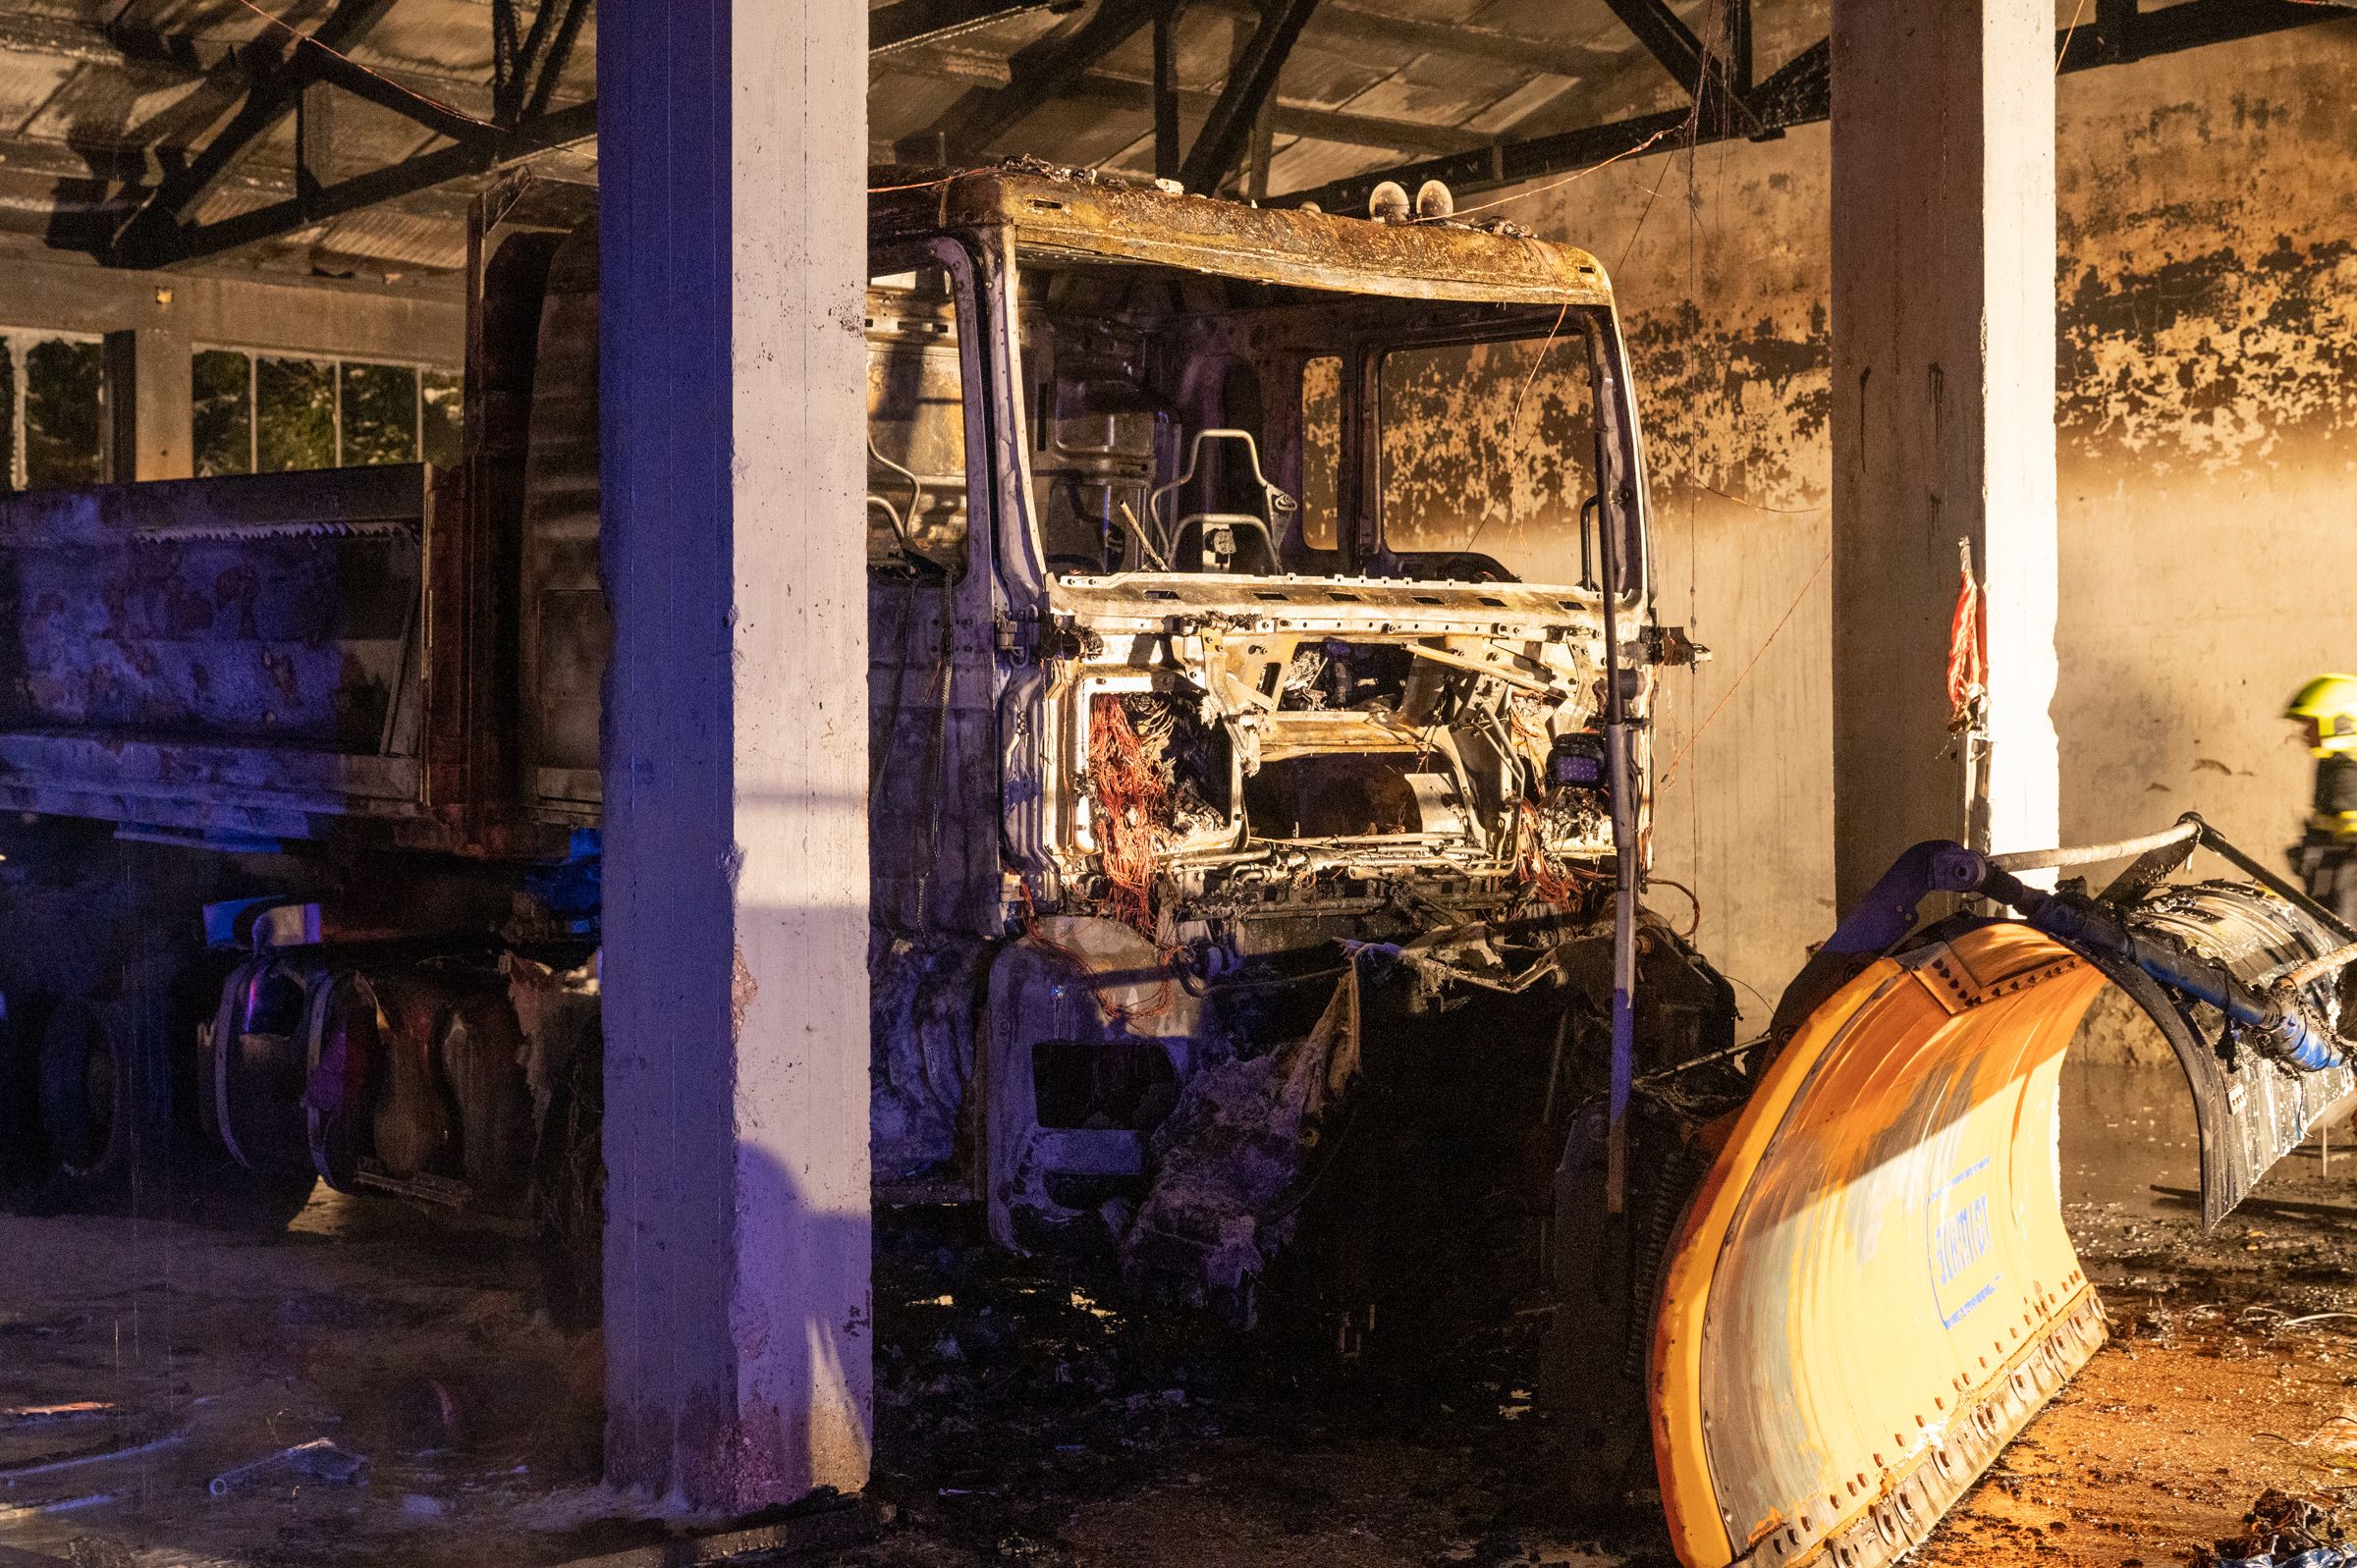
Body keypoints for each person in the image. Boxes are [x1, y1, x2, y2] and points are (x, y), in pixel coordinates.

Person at [2286, 674, 2357, 921]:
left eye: (2313, 723)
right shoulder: (2333, 765)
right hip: (2333, 884)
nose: (2305, 732)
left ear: (2342, 723)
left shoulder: (2348, 772)